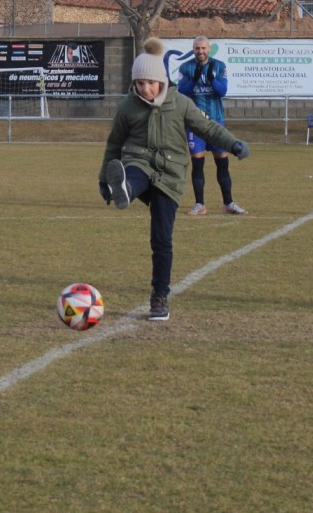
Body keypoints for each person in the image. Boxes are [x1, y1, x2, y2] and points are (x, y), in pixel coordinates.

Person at [100, 37, 251, 321]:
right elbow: (113, 145)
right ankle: (125, 189)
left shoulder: (180, 103)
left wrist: (234, 144)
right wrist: (103, 180)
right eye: (139, 83)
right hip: (138, 162)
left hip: (170, 172)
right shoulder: (127, 108)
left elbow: (207, 128)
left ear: (162, 80)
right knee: (135, 173)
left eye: (150, 82)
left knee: (161, 239)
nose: (145, 88)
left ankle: (159, 297)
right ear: (134, 84)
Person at [176, 35, 248, 216]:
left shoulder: (219, 66)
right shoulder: (186, 67)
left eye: (203, 48)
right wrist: (194, 79)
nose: (200, 51)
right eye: (197, 48)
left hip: (216, 122)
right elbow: (181, 92)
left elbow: (222, 91)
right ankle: (199, 204)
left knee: (222, 164)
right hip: (195, 124)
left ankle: (228, 203)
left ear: (209, 49)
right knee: (197, 164)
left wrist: (211, 79)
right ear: (193, 49)